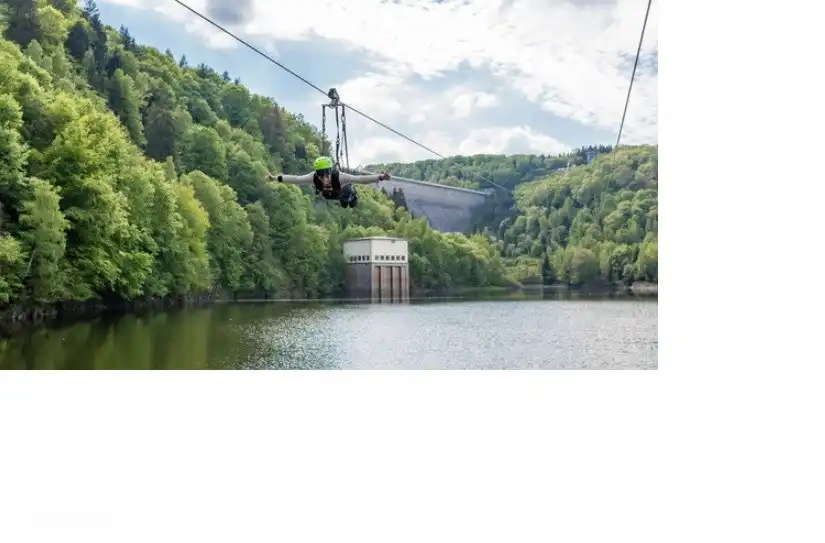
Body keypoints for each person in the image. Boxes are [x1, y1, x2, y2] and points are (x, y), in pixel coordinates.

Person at [265, 156, 392, 208]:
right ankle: (344, 200)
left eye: (327, 173)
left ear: (331, 171)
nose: (325, 177)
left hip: (344, 193)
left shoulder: (340, 177)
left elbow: (360, 179)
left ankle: (351, 198)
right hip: (331, 195)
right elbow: (295, 179)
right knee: (335, 198)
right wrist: (275, 178)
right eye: (321, 174)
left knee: (349, 198)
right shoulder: (313, 178)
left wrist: (380, 177)